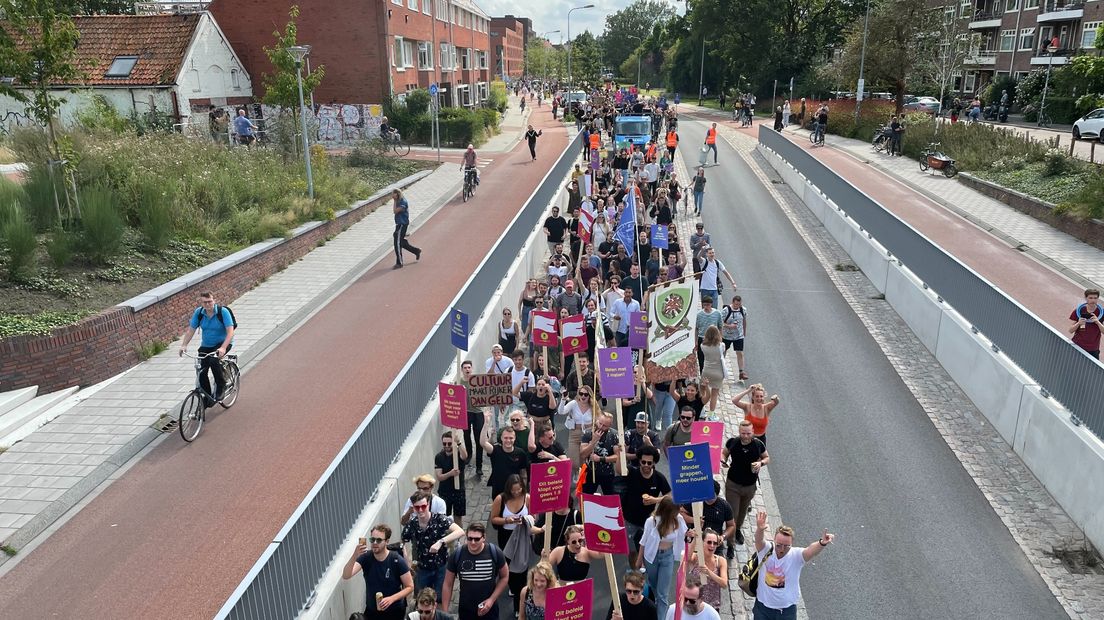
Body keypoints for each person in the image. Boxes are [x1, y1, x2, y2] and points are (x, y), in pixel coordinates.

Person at [752, 511, 835, 620]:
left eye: (786, 546)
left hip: (786, 610)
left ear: (792, 544)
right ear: (774, 540)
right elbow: (759, 540)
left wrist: (822, 543)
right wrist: (760, 529)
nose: (782, 549)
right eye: (778, 545)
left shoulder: (796, 555)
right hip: (763, 607)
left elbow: (810, 551)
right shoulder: (766, 549)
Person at [342, 524, 415, 619]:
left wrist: (391, 599)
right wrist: (355, 555)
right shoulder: (366, 557)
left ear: (387, 541)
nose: (375, 543)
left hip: (395, 611)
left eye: (379, 540)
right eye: (372, 540)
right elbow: (346, 575)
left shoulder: (396, 560)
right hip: (372, 611)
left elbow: (410, 586)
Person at [634, 497, 688, 620]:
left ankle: (661, 617)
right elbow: (643, 541)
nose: (679, 512)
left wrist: (695, 529)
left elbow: (684, 534)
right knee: (654, 586)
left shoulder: (678, 520)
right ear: (668, 511)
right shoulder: (651, 521)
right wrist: (639, 559)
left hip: (667, 557)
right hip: (651, 557)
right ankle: (655, 608)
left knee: (663, 593)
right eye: (676, 510)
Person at [403, 491, 465, 597]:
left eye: (423, 506)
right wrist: (407, 563)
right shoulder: (412, 523)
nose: (421, 510)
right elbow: (402, 542)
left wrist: (441, 542)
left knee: (440, 598)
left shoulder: (439, 519)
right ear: (413, 508)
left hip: (440, 567)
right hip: (421, 568)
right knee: (421, 599)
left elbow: (460, 531)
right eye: (417, 507)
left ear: (428, 505)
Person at [442, 523, 509, 620]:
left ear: (484, 537)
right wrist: (445, 612)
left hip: (490, 610)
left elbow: (505, 576)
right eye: (470, 538)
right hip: (466, 610)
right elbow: (448, 583)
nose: (473, 542)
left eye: (477, 539)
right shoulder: (457, 555)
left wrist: (491, 600)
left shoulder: (495, 552)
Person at [179, 291, 235, 408]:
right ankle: (207, 396)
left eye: (210, 301)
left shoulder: (222, 312)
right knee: (201, 371)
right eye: (205, 302)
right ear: (201, 303)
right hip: (207, 345)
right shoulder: (199, 313)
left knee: (214, 361)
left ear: (213, 300)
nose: (208, 304)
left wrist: (223, 348)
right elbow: (191, 330)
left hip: (223, 343)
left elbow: (230, 331)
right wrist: (184, 345)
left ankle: (221, 386)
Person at [723, 420, 768, 547]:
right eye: (743, 433)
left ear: (753, 432)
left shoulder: (758, 444)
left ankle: (737, 530)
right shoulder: (733, 442)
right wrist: (723, 460)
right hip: (733, 484)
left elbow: (767, 457)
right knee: (733, 512)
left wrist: (761, 463)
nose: (746, 436)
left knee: (743, 511)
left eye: (748, 433)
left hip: (749, 485)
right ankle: (730, 542)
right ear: (739, 432)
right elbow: (724, 453)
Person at [489, 475, 530, 613]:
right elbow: (494, 519)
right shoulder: (501, 499)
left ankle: (519, 599)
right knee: (507, 565)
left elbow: (533, 517)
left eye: (519, 490)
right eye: (513, 491)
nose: (517, 493)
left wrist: (526, 521)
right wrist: (507, 520)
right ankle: (511, 584)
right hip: (506, 536)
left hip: (522, 535)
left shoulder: (527, 498)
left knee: (521, 567)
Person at [623, 445, 670, 563]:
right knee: (632, 550)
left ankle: (644, 569)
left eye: (649, 463)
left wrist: (656, 500)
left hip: (648, 521)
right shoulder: (632, 472)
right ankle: (634, 571)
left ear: (654, 463)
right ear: (639, 460)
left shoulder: (659, 478)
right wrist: (620, 454)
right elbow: (620, 470)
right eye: (643, 462)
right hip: (629, 519)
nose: (646, 465)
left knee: (646, 549)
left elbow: (670, 496)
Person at [481, 424, 530, 499]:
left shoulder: (520, 453)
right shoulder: (495, 450)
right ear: (501, 438)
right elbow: (483, 443)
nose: (508, 440)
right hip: (498, 489)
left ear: (515, 438)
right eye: (506, 438)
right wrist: (486, 424)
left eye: (511, 438)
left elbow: (523, 473)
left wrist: (523, 490)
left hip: (514, 490)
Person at [686, 528, 728, 612]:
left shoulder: (720, 561)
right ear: (702, 542)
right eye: (709, 542)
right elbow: (686, 558)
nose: (712, 546)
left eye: (715, 543)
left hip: (713, 606)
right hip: (695, 605)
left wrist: (709, 572)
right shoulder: (695, 558)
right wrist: (695, 538)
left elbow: (724, 584)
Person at [580, 411, 621, 494]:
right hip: (590, 472)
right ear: (597, 420)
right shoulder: (588, 433)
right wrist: (593, 442)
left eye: (604, 426)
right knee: (587, 498)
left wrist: (601, 459)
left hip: (607, 472)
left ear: (609, 426)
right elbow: (583, 454)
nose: (601, 427)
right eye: (600, 423)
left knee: (610, 499)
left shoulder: (614, 435)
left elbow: (617, 457)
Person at [434, 431, 470, 525]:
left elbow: (465, 456)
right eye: (444, 443)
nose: (446, 445)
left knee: (458, 517)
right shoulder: (439, 457)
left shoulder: (458, 453)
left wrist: (459, 442)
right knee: (444, 517)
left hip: (458, 490)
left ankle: (458, 538)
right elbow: (439, 477)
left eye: (449, 443)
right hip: (445, 492)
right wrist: (450, 473)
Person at [562, 386, 595, 467]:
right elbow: (561, 411)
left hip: (588, 434)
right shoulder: (573, 403)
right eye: (581, 394)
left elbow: (599, 418)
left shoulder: (593, 406)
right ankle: (575, 478)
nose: (583, 396)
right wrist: (563, 400)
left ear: (589, 395)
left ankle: (585, 478)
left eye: (586, 394)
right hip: (575, 434)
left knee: (584, 462)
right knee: (574, 462)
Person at [698, 326, 725, 415]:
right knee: (714, 394)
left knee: (702, 390)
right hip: (718, 372)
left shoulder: (703, 346)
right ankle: (711, 414)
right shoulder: (721, 346)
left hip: (707, 371)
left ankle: (701, 410)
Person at [392, 189, 422, 269]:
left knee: (397, 243)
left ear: (397, 194)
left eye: (393, 194)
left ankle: (399, 263)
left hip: (402, 224)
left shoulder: (403, 202)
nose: (392, 196)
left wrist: (394, 201)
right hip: (399, 224)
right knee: (400, 241)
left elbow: (395, 211)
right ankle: (416, 251)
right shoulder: (399, 201)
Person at [1069, 288, 1102, 359]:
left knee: (1093, 369)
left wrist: (1098, 322)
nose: (1093, 300)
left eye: (1095, 298)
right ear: (1086, 298)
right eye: (1090, 298)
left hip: (1093, 349)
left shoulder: (1101, 313)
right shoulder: (1079, 310)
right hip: (1078, 345)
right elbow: (1070, 330)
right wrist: (1078, 323)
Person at [722, 295, 748, 381]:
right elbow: (720, 322)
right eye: (736, 304)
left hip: (738, 335)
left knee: (740, 352)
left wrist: (744, 331)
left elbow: (744, 320)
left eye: (739, 304)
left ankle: (741, 372)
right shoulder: (726, 310)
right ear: (733, 302)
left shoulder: (743, 310)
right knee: (723, 352)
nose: (737, 306)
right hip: (726, 336)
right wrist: (729, 326)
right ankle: (721, 369)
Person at [695, 296, 723, 373]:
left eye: (708, 305)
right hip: (702, 338)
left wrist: (720, 338)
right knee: (701, 359)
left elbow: (720, 326)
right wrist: (696, 341)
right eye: (704, 305)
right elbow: (696, 328)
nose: (706, 307)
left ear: (711, 304)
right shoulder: (699, 314)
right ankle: (702, 373)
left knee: (713, 358)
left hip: (714, 339)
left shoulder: (717, 313)